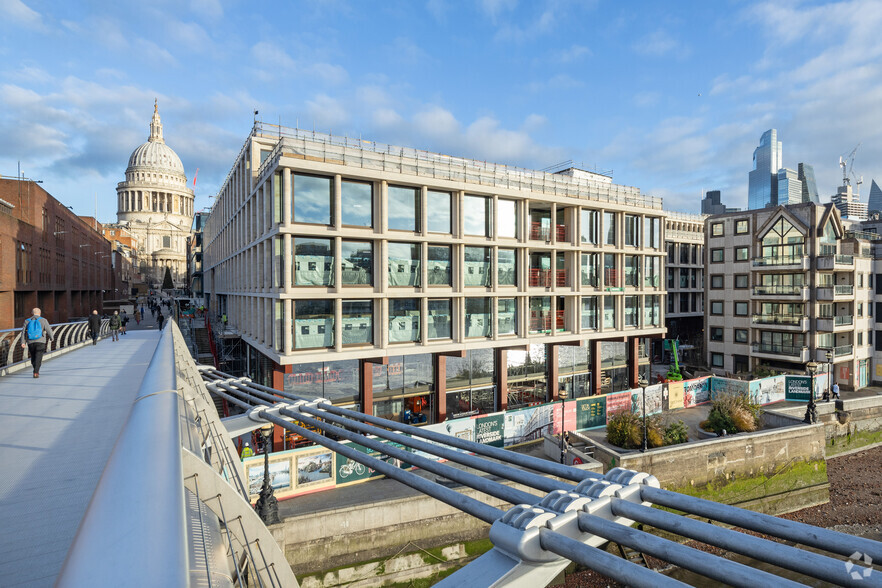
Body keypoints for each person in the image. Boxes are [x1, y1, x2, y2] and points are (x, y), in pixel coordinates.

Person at [20, 308, 54, 378]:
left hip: (30, 342)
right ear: (40, 313)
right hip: (41, 341)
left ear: (32, 313)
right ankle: (36, 372)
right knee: (39, 357)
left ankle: (35, 367)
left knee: (33, 356)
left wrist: (23, 342)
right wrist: (51, 338)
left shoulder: (27, 321)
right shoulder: (43, 320)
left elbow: (23, 332)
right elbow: (49, 330)